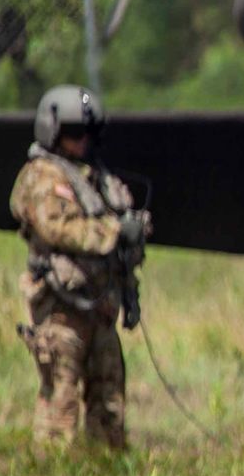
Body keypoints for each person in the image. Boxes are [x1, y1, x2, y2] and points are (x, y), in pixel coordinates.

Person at [8, 85, 148, 449]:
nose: (80, 141)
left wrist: (132, 231)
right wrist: (115, 232)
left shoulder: (95, 178)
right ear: (52, 130)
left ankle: (108, 466)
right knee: (61, 395)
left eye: (86, 132)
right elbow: (57, 227)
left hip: (100, 306)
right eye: (72, 133)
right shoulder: (41, 176)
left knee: (109, 395)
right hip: (61, 309)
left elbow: (122, 217)